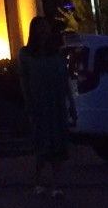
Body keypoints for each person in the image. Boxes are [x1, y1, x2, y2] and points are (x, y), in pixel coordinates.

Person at [18, 15, 70, 198]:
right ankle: (38, 181)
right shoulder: (25, 54)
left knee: (57, 145)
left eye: (46, 28)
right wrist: (28, 104)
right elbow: (24, 81)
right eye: (40, 28)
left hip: (55, 104)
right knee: (41, 144)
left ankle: (57, 184)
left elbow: (64, 80)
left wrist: (70, 104)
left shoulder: (56, 54)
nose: (44, 31)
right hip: (39, 104)